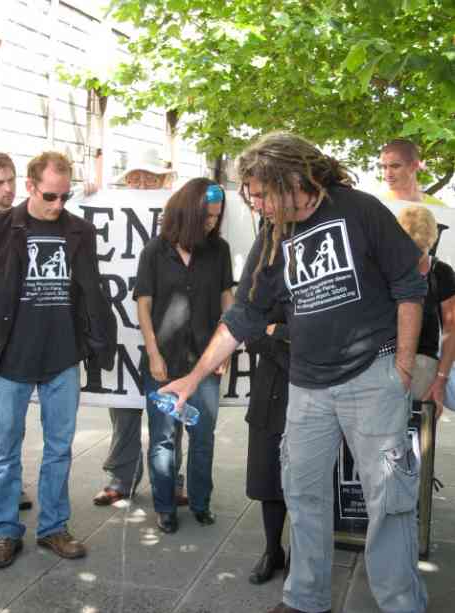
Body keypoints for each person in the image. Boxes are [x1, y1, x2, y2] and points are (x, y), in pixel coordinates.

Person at [161, 132, 428, 613]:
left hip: (373, 376)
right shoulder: (272, 236)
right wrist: (193, 377)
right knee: (302, 494)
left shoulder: (360, 209)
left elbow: (410, 285)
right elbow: (242, 316)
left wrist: (403, 367)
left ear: (292, 179)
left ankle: (401, 603)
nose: (256, 204)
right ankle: (306, 599)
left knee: (390, 500)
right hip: (306, 387)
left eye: (262, 193)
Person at [0, 151, 116, 569]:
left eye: (65, 196)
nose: (58, 204)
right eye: (50, 195)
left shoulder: (80, 230)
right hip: (10, 357)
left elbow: (91, 291)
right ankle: (3, 531)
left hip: (62, 356)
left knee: (59, 449)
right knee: (4, 452)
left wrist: (100, 345)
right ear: (29, 186)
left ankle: (53, 528)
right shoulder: (1, 228)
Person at [134, 178, 234, 534]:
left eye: (216, 217)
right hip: (164, 364)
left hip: (205, 362)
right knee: (163, 438)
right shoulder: (154, 251)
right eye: (206, 217)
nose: (211, 223)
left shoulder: (219, 250)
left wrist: (226, 347)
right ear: (187, 213)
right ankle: (164, 507)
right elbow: (143, 306)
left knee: (203, 435)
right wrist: (153, 353)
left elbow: (227, 301)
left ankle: (201, 502)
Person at [93, 148, 186, 507]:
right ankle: (122, 476)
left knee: (169, 409)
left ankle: (171, 478)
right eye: (135, 176)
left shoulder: (179, 216)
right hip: (123, 326)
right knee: (123, 407)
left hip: (165, 329)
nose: (141, 182)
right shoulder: (111, 207)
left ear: (165, 182)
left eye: (150, 176)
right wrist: (89, 194)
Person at [0, 152, 33, 512]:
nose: (8, 189)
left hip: (9, 343)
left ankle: (10, 488)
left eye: (11, 180)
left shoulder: (21, 221)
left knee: (9, 426)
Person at [397, 205, 455, 418]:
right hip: (385, 360)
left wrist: (440, 380)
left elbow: (451, 328)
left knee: (418, 436)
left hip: (423, 363)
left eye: (421, 250)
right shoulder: (386, 267)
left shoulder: (441, 273)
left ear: (431, 242)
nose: (414, 257)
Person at [245, 304, 289, 585]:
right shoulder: (268, 280)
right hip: (268, 395)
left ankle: (300, 556)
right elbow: (252, 334)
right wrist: (289, 342)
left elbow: (324, 339)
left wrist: (280, 332)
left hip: (308, 395)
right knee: (268, 480)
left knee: (303, 485)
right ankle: (272, 551)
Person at [380, 138, 445, 205]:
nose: (388, 174)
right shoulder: (378, 205)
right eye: (384, 167)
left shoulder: (440, 208)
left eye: (395, 166)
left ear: (414, 166)